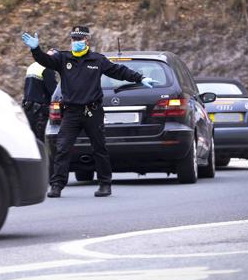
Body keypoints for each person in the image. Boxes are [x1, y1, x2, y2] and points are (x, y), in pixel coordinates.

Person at [21, 26, 154, 198]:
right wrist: (35, 49)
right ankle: (57, 185)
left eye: (79, 39)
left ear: (87, 41)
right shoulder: (63, 58)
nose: (76, 42)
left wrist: (140, 78)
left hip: (92, 111)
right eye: (73, 39)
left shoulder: (97, 60)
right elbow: (44, 60)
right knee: (62, 148)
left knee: (99, 148)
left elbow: (119, 71)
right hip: (71, 113)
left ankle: (105, 184)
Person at [22, 48, 58, 142]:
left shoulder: (32, 66)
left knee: (31, 140)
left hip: (28, 107)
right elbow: (53, 91)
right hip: (40, 111)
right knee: (40, 141)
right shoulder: (47, 68)